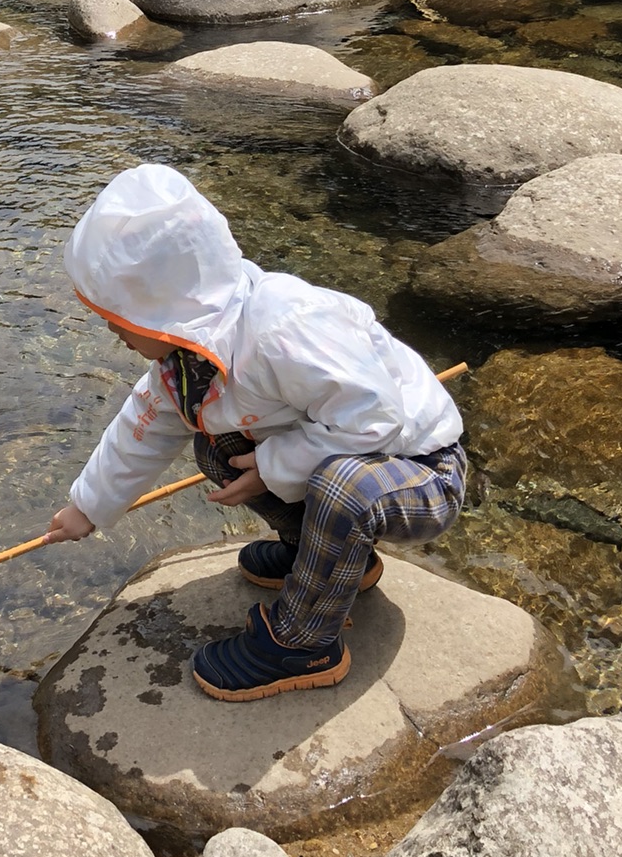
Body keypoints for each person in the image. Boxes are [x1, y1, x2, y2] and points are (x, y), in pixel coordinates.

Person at [45, 162, 466, 701]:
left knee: (344, 489)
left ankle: (305, 643)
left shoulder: (284, 328)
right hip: (348, 451)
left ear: (162, 307)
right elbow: (143, 426)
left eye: (116, 317)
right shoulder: (187, 360)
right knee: (216, 443)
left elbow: (376, 418)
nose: (109, 329)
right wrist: (88, 506)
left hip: (420, 469)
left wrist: (273, 467)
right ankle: (327, 559)